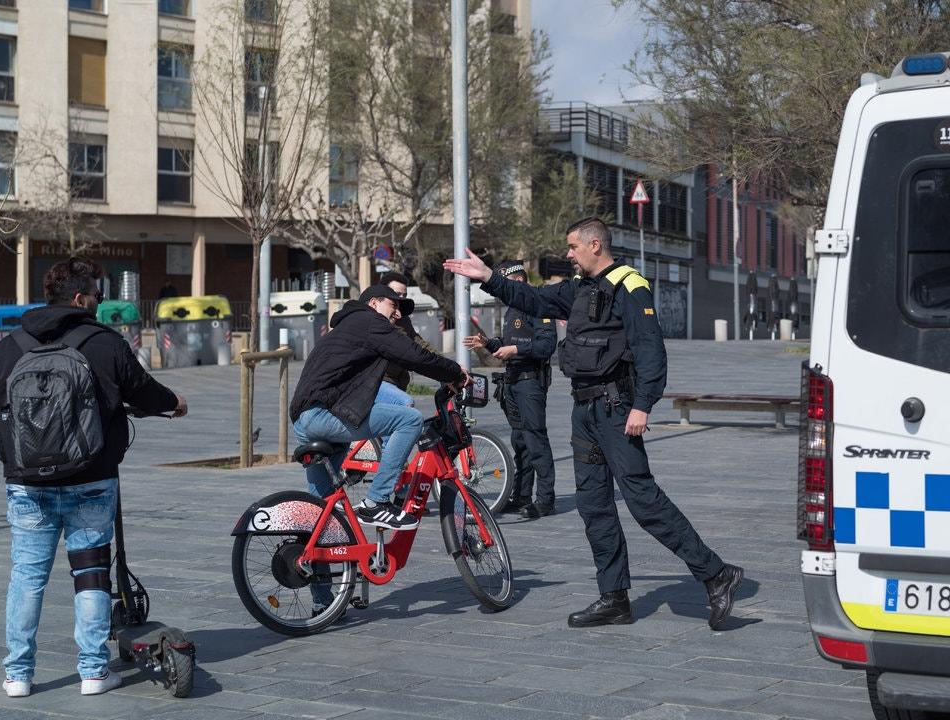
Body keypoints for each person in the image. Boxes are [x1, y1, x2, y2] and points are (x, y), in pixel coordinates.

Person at [444, 218, 744, 630]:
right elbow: (534, 299)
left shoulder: (630, 286)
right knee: (593, 504)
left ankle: (716, 575)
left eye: (572, 247)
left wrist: (643, 405)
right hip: (584, 410)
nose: (568, 254)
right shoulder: (580, 288)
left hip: (617, 409)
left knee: (643, 501)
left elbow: (650, 349)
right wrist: (489, 278)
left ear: (594, 244)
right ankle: (614, 597)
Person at [0, 257, 188, 698]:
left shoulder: (11, 346)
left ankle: (18, 675)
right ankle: (93, 671)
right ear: (79, 298)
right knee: (91, 576)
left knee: (27, 577)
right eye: (96, 294)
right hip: (91, 478)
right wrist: (175, 402)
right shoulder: (103, 342)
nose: (99, 301)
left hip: (27, 483)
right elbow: (143, 390)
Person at [290, 283, 466, 532]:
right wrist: (455, 372)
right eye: (393, 306)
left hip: (304, 419)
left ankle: (310, 558)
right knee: (409, 419)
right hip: (323, 415)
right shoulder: (370, 322)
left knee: (323, 505)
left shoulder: (346, 328)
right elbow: (413, 355)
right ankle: (377, 501)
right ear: (374, 303)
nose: (397, 315)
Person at [464, 260, 556, 518]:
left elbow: (547, 345)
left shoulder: (539, 304)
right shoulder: (513, 308)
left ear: (518, 280)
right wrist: (488, 343)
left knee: (535, 439)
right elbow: (507, 343)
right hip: (513, 381)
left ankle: (545, 500)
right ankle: (521, 495)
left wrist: (516, 350)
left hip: (530, 382)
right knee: (520, 441)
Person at [373, 271, 442, 407]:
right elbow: (408, 351)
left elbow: (418, 342)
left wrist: (445, 364)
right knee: (407, 405)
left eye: (404, 295)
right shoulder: (372, 319)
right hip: (377, 381)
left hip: (398, 381)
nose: (401, 298)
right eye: (396, 294)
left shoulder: (403, 319)